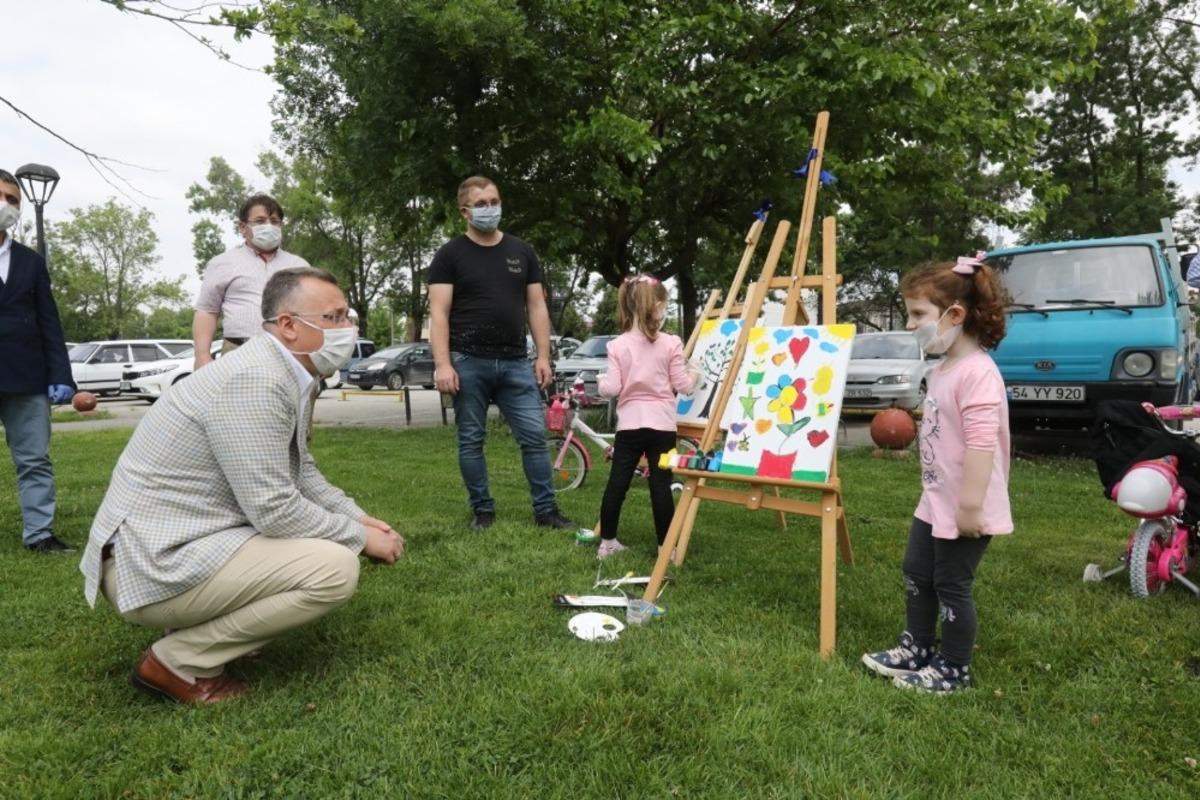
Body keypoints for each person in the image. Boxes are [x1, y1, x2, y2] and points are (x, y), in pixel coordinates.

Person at [80, 267, 404, 704]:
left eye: (348, 316)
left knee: (326, 547)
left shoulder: (279, 370)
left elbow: (301, 471)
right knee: (333, 568)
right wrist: (358, 538)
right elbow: (275, 509)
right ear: (288, 326)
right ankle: (179, 660)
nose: (349, 329)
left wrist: (358, 516)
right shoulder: (256, 379)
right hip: (151, 565)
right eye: (336, 317)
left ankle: (193, 629)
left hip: (172, 545)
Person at [861, 252, 1013, 694]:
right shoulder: (944, 369)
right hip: (935, 498)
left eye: (917, 314)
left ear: (955, 314)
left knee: (951, 584)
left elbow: (983, 445)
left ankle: (954, 668)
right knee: (916, 570)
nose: (911, 325)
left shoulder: (978, 374)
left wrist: (970, 505)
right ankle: (919, 646)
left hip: (967, 502)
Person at [429, 176, 574, 530]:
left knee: (535, 439)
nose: (489, 209)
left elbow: (537, 305)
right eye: (480, 204)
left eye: (494, 201)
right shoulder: (449, 255)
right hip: (467, 362)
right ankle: (483, 511)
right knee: (471, 441)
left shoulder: (521, 251)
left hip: (515, 363)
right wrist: (443, 364)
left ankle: (547, 511)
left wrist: (543, 356)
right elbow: (438, 313)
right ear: (465, 211)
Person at [595, 276, 700, 558]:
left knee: (618, 483)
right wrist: (696, 375)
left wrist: (601, 381)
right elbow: (683, 385)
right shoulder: (671, 343)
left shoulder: (617, 345)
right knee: (661, 485)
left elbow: (612, 389)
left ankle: (607, 543)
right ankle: (666, 547)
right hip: (662, 425)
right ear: (656, 306)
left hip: (629, 425)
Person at [0, 168, 76, 553]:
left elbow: (50, 322)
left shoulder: (31, 261)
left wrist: (61, 374)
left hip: (26, 376)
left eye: (13, 199)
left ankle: (40, 534)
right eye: (2, 196)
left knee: (34, 460)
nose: (6, 205)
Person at [192, 194, 310, 371]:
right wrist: (202, 356)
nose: (268, 226)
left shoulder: (299, 266)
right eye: (260, 221)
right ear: (243, 227)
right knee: (236, 399)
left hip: (290, 353)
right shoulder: (222, 263)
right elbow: (207, 311)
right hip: (237, 352)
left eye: (274, 221)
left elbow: (313, 313)